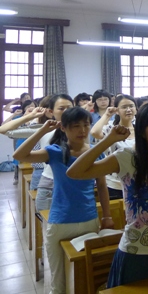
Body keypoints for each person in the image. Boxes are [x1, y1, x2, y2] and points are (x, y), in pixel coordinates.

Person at [66, 102, 148, 288]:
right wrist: (108, 140)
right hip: (135, 253)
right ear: (142, 132)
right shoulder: (127, 158)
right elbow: (74, 172)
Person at [14, 107, 113, 294]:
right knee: (58, 281)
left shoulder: (95, 152)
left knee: (84, 276)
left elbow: (102, 186)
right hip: (60, 221)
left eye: (86, 125)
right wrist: (43, 130)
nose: (82, 130)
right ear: (63, 128)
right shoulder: (55, 152)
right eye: (76, 126)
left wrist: (107, 216)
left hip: (89, 220)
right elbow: (19, 156)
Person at [90, 94, 138, 199]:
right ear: (117, 110)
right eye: (124, 107)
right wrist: (107, 114)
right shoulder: (112, 128)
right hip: (115, 183)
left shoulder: (141, 129)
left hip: (136, 182)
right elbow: (94, 132)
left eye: (131, 106)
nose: (128, 110)